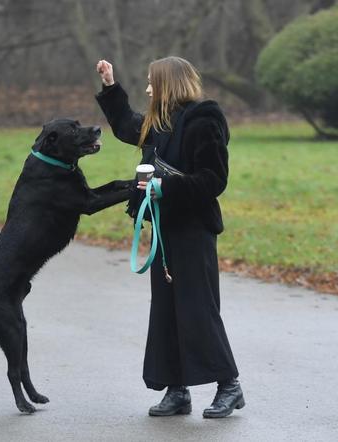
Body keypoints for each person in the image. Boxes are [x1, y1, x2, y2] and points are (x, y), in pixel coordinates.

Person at [94, 56, 244, 418]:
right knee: (167, 312)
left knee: (198, 309)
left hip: (194, 229)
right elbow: (128, 126)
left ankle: (230, 386)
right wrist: (111, 87)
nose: (147, 88)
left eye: (151, 82)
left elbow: (214, 180)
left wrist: (165, 186)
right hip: (164, 229)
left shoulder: (205, 119)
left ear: (167, 84)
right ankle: (177, 391)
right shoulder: (159, 122)